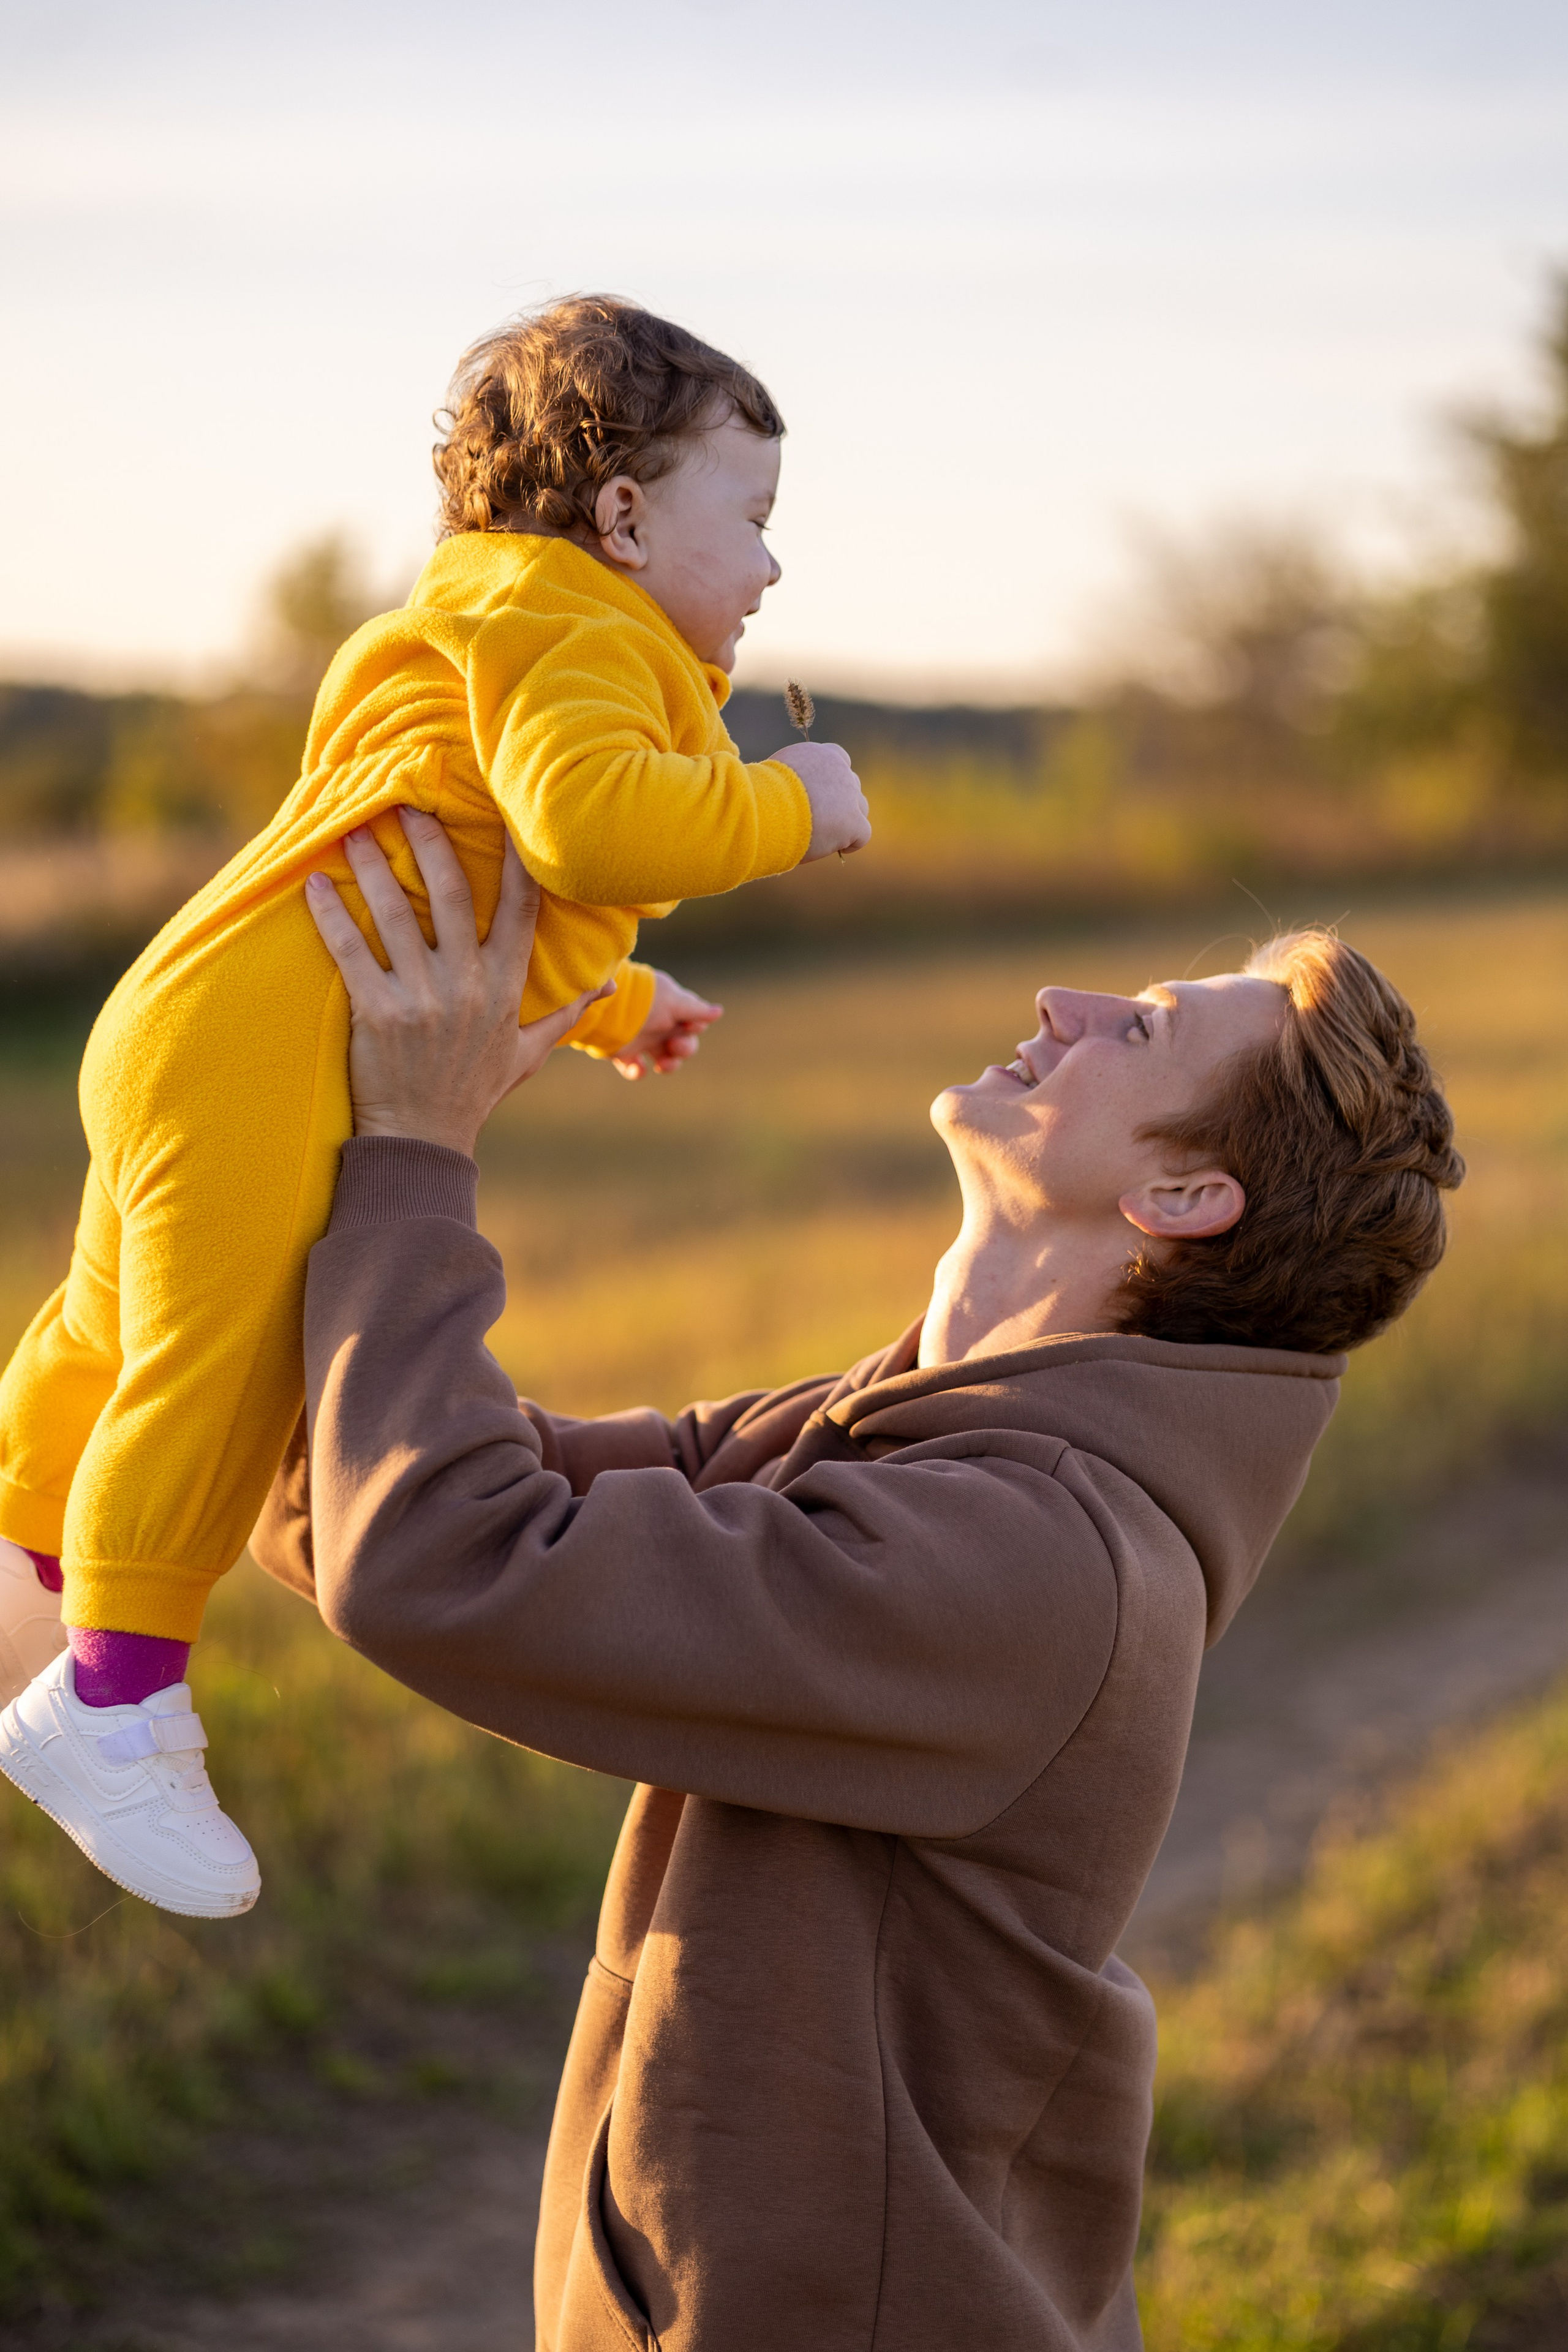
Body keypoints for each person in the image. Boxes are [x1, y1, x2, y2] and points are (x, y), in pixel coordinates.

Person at [252, 815, 1455, 2348]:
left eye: (1141, 1030)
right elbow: (346, 1495)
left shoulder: (1034, 1559)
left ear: (1179, 1199)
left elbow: (434, 1559)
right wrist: (257, 1141)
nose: (1061, 1005)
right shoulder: (899, 1435)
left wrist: (416, 1152)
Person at [0, 298, 870, 1920]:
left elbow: (473, 872)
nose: (771, 567)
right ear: (624, 515)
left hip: (205, 1009)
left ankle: (21, 1546)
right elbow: (593, 829)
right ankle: (113, 1699)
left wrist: (614, 1003)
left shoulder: (482, 620)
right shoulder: (584, 631)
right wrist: (786, 807)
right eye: (752, 518)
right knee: (222, 1367)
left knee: (111, 1329)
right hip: (263, 1044)